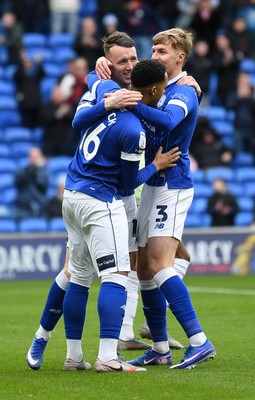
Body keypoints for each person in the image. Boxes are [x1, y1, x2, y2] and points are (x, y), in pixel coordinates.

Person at [25, 57, 181, 371]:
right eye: (163, 90)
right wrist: (155, 166)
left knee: (79, 276)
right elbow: (126, 184)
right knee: (116, 276)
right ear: (153, 90)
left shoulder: (106, 91)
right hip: (100, 201)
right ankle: (108, 357)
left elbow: (86, 102)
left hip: (71, 195)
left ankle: (73, 357)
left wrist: (103, 79)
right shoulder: (132, 130)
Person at [114, 27, 216, 369]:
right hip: (154, 182)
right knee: (144, 269)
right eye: (153, 49)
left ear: (180, 58)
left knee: (159, 265)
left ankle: (199, 341)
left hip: (172, 183)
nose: (154, 56)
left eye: (161, 51)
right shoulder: (161, 86)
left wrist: (135, 101)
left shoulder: (184, 92)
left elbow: (170, 119)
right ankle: (159, 347)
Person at [14, 147, 49, 220]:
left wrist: (37, 170)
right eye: (32, 156)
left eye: (36, 157)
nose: (33, 159)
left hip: (39, 206)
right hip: (23, 206)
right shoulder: (23, 170)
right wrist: (29, 172)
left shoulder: (44, 171)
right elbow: (17, 182)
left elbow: (43, 185)